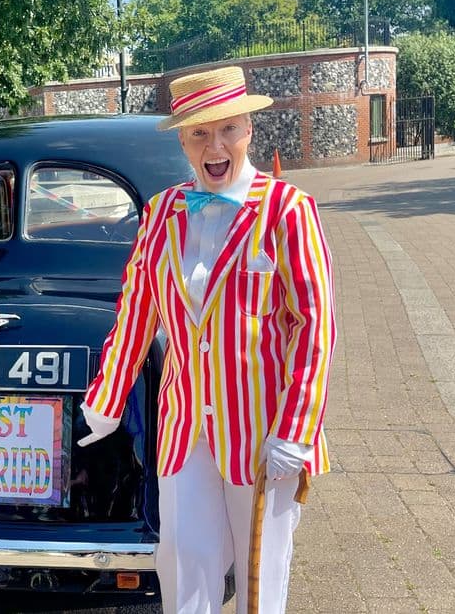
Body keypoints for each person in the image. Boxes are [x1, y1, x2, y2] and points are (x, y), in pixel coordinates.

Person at [77, 66, 335, 613]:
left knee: (260, 573)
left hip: (264, 429)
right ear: (183, 140)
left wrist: (297, 428)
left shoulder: (288, 209)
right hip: (185, 425)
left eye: (228, 130)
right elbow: (137, 312)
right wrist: (106, 398)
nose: (214, 145)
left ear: (249, 131)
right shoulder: (163, 211)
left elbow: (315, 325)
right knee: (182, 558)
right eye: (199, 133)